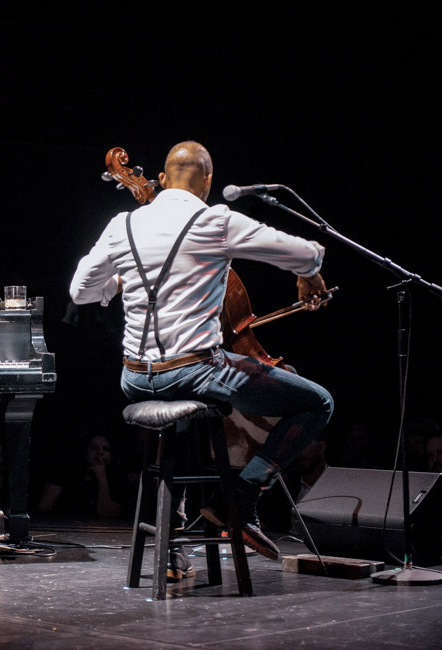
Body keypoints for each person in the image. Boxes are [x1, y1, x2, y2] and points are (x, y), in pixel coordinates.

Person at [69, 141, 334, 560]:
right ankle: (242, 500)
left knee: (189, 410)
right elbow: (304, 251)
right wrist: (309, 274)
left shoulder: (121, 224)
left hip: (134, 377)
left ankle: (173, 531)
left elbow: (80, 291)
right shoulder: (216, 221)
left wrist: (116, 283)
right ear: (208, 182)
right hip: (193, 371)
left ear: (160, 179)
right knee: (317, 403)